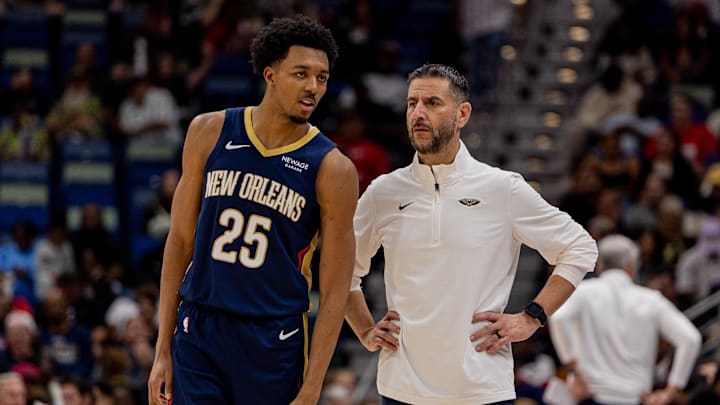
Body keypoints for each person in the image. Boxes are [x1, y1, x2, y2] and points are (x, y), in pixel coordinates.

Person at [345, 63, 598, 404]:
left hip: (482, 390)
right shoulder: (383, 192)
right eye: (412, 103)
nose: (418, 113)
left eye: (432, 103)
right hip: (400, 389)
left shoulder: (502, 188)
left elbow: (580, 247)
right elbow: (344, 270)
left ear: (462, 114)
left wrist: (532, 317)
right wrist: (364, 329)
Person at [147, 15, 358, 405]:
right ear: (271, 74)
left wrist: (312, 388)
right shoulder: (208, 131)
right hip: (200, 329)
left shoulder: (333, 168)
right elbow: (178, 243)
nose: (313, 87)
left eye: (323, 78)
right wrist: (162, 349)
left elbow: (333, 291)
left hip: (272, 339)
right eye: (301, 73)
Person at [549, 234, 701, 405]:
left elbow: (558, 318)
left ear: (599, 266)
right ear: (631, 266)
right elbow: (690, 338)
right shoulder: (651, 300)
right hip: (635, 397)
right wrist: (672, 389)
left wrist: (573, 369)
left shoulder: (583, 292)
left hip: (590, 396)